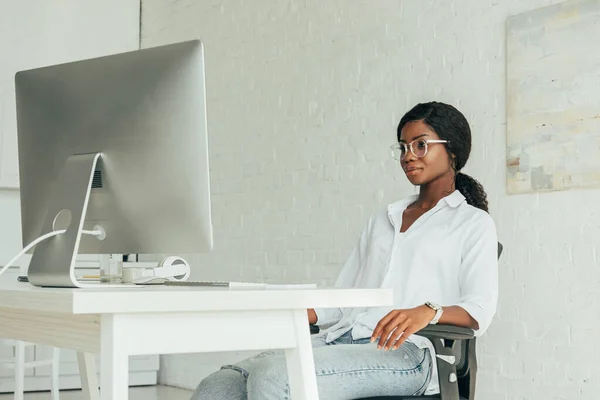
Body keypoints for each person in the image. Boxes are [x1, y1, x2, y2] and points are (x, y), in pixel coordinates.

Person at [192, 101, 499, 399]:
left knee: (277, 379)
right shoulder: (384, 218)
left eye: (420, 145)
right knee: (220, 384)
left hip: (408, 351)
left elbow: (479, 310)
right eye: (403, 147)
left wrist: (428, 312)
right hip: (342, 337)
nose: (408, 156)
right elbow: (346, 296)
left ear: (453, 151)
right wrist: (296, 312)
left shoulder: (473, 223)